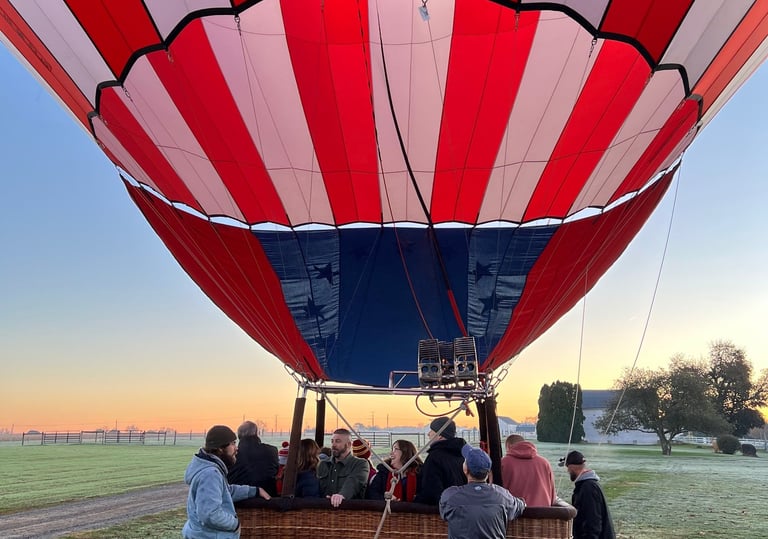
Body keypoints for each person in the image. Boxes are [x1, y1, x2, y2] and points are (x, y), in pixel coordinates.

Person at [183, 425, 270, 539]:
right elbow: (210, 515)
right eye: (233, 443)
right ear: (220, 448)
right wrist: (234, 524)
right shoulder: (210, 475)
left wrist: (254, 491)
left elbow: (226, 492)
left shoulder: (212, 469)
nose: (236, 448)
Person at [439, 444, 525, 539]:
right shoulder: (502, 495)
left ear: (465, 469)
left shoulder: (450, 496)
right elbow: (520, 506)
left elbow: (444, 513)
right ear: (488, 472)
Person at [413, 416, 467, 505]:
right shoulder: (462, 455)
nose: (428, 434)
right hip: (461, 507)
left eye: (432, 431)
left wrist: (414, 502)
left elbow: (430, 491)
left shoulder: (434, 458)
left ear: (440, 436)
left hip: (442, 511)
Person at [563, 450, 616, 539]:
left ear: (571, 467)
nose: (568, 471)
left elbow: (593, 522)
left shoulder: (588, 488)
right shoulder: (586, 485)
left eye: (567, 468)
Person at [317, 428, 370, 507]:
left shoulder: (360, 464)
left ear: (348, 444)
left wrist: (341, 495)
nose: (333, 445)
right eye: (332, 441)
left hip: (350, 512)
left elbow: (353, 482)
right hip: (324, 511)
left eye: (338, 441)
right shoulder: (323, 464)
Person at [501, 434, 558, 506]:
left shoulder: (504, 463)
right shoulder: (544, 463)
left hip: (515, 513)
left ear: (508, 446)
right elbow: (552, 494)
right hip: (543, 513)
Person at [226, 420, 279, 496]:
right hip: (268, 497)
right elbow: (275, 470)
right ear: (256, 434)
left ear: (239, 435)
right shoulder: (272, 450)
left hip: (239, 498)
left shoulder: (232, 454)